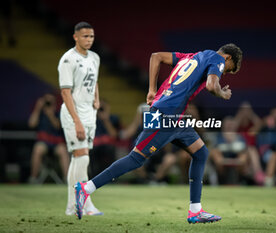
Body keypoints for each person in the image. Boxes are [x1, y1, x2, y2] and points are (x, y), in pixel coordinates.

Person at [75, 43, 243, 223]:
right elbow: (211, 85)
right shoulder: (217, 59)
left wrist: (152, 90)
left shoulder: (190, 57)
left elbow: (156, 56)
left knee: (201, 152)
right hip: (165, 115)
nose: (223, 73)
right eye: (227, 70)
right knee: (136, 158)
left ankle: (195, 210)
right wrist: (222, 94)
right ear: (227, 58)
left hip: (173, 116)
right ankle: (86, 188)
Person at [58, 22, 102, 216]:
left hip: (89, 113)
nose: (89, 40)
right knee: (82, 156)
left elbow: (95, 80)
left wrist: (97, 99)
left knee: (79, 158)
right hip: (73, 113)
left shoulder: (95, 57)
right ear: (75, 37)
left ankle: (72, 206)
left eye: (91, 36)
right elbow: (65, 92)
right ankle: (87, 203)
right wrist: (76, 121)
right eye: (85, 36)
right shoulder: (68, 59)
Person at [28, 93, 69, 183]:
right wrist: (38, 108)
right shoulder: (40, 114)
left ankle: (67, 178)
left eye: (51, 101)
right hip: (44, 142)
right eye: (47, 101)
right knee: (38, 149)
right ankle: (33, 178)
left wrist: (50, 115)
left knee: (63, 150)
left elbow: (58, 126)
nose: (48, 103)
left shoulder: (59, 113)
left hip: (56, 143)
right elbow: (31, 124)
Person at [90, 99, 121, 177]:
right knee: (92, 150)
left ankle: (111, 176)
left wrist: (106, 119)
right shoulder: (91, 119)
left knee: (109, 149)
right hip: (95, 146)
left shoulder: (113, 118)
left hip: (108, 146)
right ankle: (94, 176)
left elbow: (114, 135)